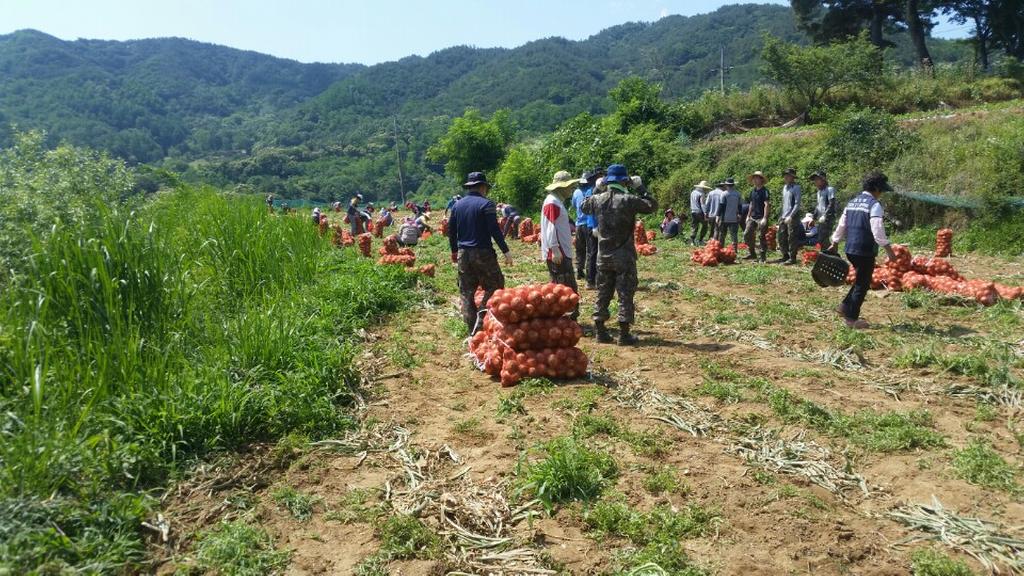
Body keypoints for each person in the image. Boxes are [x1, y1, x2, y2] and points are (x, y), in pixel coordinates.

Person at [581, 164, 657, 346]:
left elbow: (583, 206)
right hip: (624, 255)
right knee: (625, 293)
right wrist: (641, 188)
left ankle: (600, 331)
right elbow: (652, 206)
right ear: (625, 181)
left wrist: (596, 188)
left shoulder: (598, 200)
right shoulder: (629, 200)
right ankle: (624, 334)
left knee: (603, 292)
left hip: (603, 255)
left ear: (607, 182)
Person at [828, 171, 897, 330]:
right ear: (876, 188)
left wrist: (835, 242)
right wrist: (889, 251)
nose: (881, 194)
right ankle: (851, 320)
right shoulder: (874, 205)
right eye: (881, 190)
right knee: (862, 284)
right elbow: (877, 230)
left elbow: (841, 224)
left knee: (860, 280)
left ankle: (844, 306)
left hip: (850, 249)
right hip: (864, 250)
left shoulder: (852, 202)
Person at [449, 171, 512, 334]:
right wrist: (505, 250)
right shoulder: (486, 204)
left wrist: (454, 251)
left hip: (464, 253)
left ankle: (472, 329)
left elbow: (451, 230)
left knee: (466, 291)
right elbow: (494, 230)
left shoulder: (457, 205)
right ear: (483, 187)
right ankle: (481, 320)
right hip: (483, 253)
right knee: (495, 285)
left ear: (470, 187)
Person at [541, 171, 581, 320]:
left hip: (562, 250)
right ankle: (566, 319)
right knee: (564, 287)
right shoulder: (552, 202)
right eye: (569, 186)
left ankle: (566, 318)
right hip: (559, 252)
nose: (571, 189)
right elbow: (550, 226)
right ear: (560, 187)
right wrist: (555, 248)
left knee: (564, 285)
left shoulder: (556, 201)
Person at [572, 170, 600, 288]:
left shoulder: (576, 192)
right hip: (589, 224)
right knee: (591, 251)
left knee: (580, 249)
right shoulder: (592, 190)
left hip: (579, 224)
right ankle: (590, 278)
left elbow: (574, 205)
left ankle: (579, 270)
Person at [776, 168, 803, 265]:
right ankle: (785, 255)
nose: (786, 177)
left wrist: (791, 216)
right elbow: (784, 203)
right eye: (785, 175)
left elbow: (797, 203)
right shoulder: (784, 187)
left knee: (792, 237)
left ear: (793, 177)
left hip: (793, 216)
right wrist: (781, 215)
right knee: (781, 236)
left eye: (788, 176)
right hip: (784, 215)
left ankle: (792, 258)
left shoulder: (796, 188)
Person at [743, 171, 771, 262]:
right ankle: (752, 253)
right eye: (754, 178)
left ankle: (762, 257)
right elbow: (751, 204)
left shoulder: (765, 191)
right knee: (747, 234)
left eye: (757, 178)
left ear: (761, 179)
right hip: (753, 217)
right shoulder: (753, 191)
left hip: (761, 218)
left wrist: (765, 218)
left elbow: (767, 204)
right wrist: (748, 216)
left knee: (761, 237)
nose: (755, 180)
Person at [810, 170, 837, 248]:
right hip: (821, 219)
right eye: (814, 180)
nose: (815, 182)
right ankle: (827, 256)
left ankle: (834, 257)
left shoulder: (830, 189)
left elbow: (831, 204)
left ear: (823, 179)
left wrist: (825, 216)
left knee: (823, 238)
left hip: (828, 218)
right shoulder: (819, 192)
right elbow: (818, 206)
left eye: (817, 179)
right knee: (821, 239)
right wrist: (813, 218)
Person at [718, 180, 741, 252]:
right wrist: (739, 214)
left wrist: (718, 216)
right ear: (733, 185)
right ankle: (735, 250)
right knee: (734, 234)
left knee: (722, 234)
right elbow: (740, 206)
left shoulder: (724, 194)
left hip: (724, 218)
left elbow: (721, 206)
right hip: (734, 218)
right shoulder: (738, 194)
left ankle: (721, 249)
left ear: (726, 185)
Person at [689, 181, 711, 246]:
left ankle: (692, 241)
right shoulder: (701, 194)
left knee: (694, 226)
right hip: (700, 212)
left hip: (693, 211)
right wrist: (705, 213)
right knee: (705, 225)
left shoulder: (693, 192)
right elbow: (702, 204)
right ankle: (701, 240)